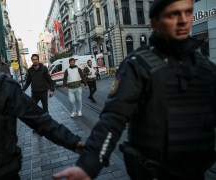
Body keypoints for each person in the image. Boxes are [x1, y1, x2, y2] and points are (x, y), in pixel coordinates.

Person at [53, 0, 216, 180]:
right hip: (154, 173)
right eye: (173, 14)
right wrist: (89, 164)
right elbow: (113, 118)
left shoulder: (205, 67)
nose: (183, 20)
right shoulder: (137, 66)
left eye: (188, 12)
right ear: (154, 23)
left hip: (196, 171)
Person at [0, 17, 83, 180]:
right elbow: (29, 81)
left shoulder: (2, 86)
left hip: (5, 176)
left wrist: (77, 144)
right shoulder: (28, 72)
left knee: (44, 111)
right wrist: (24, 89)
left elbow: (41, 120)